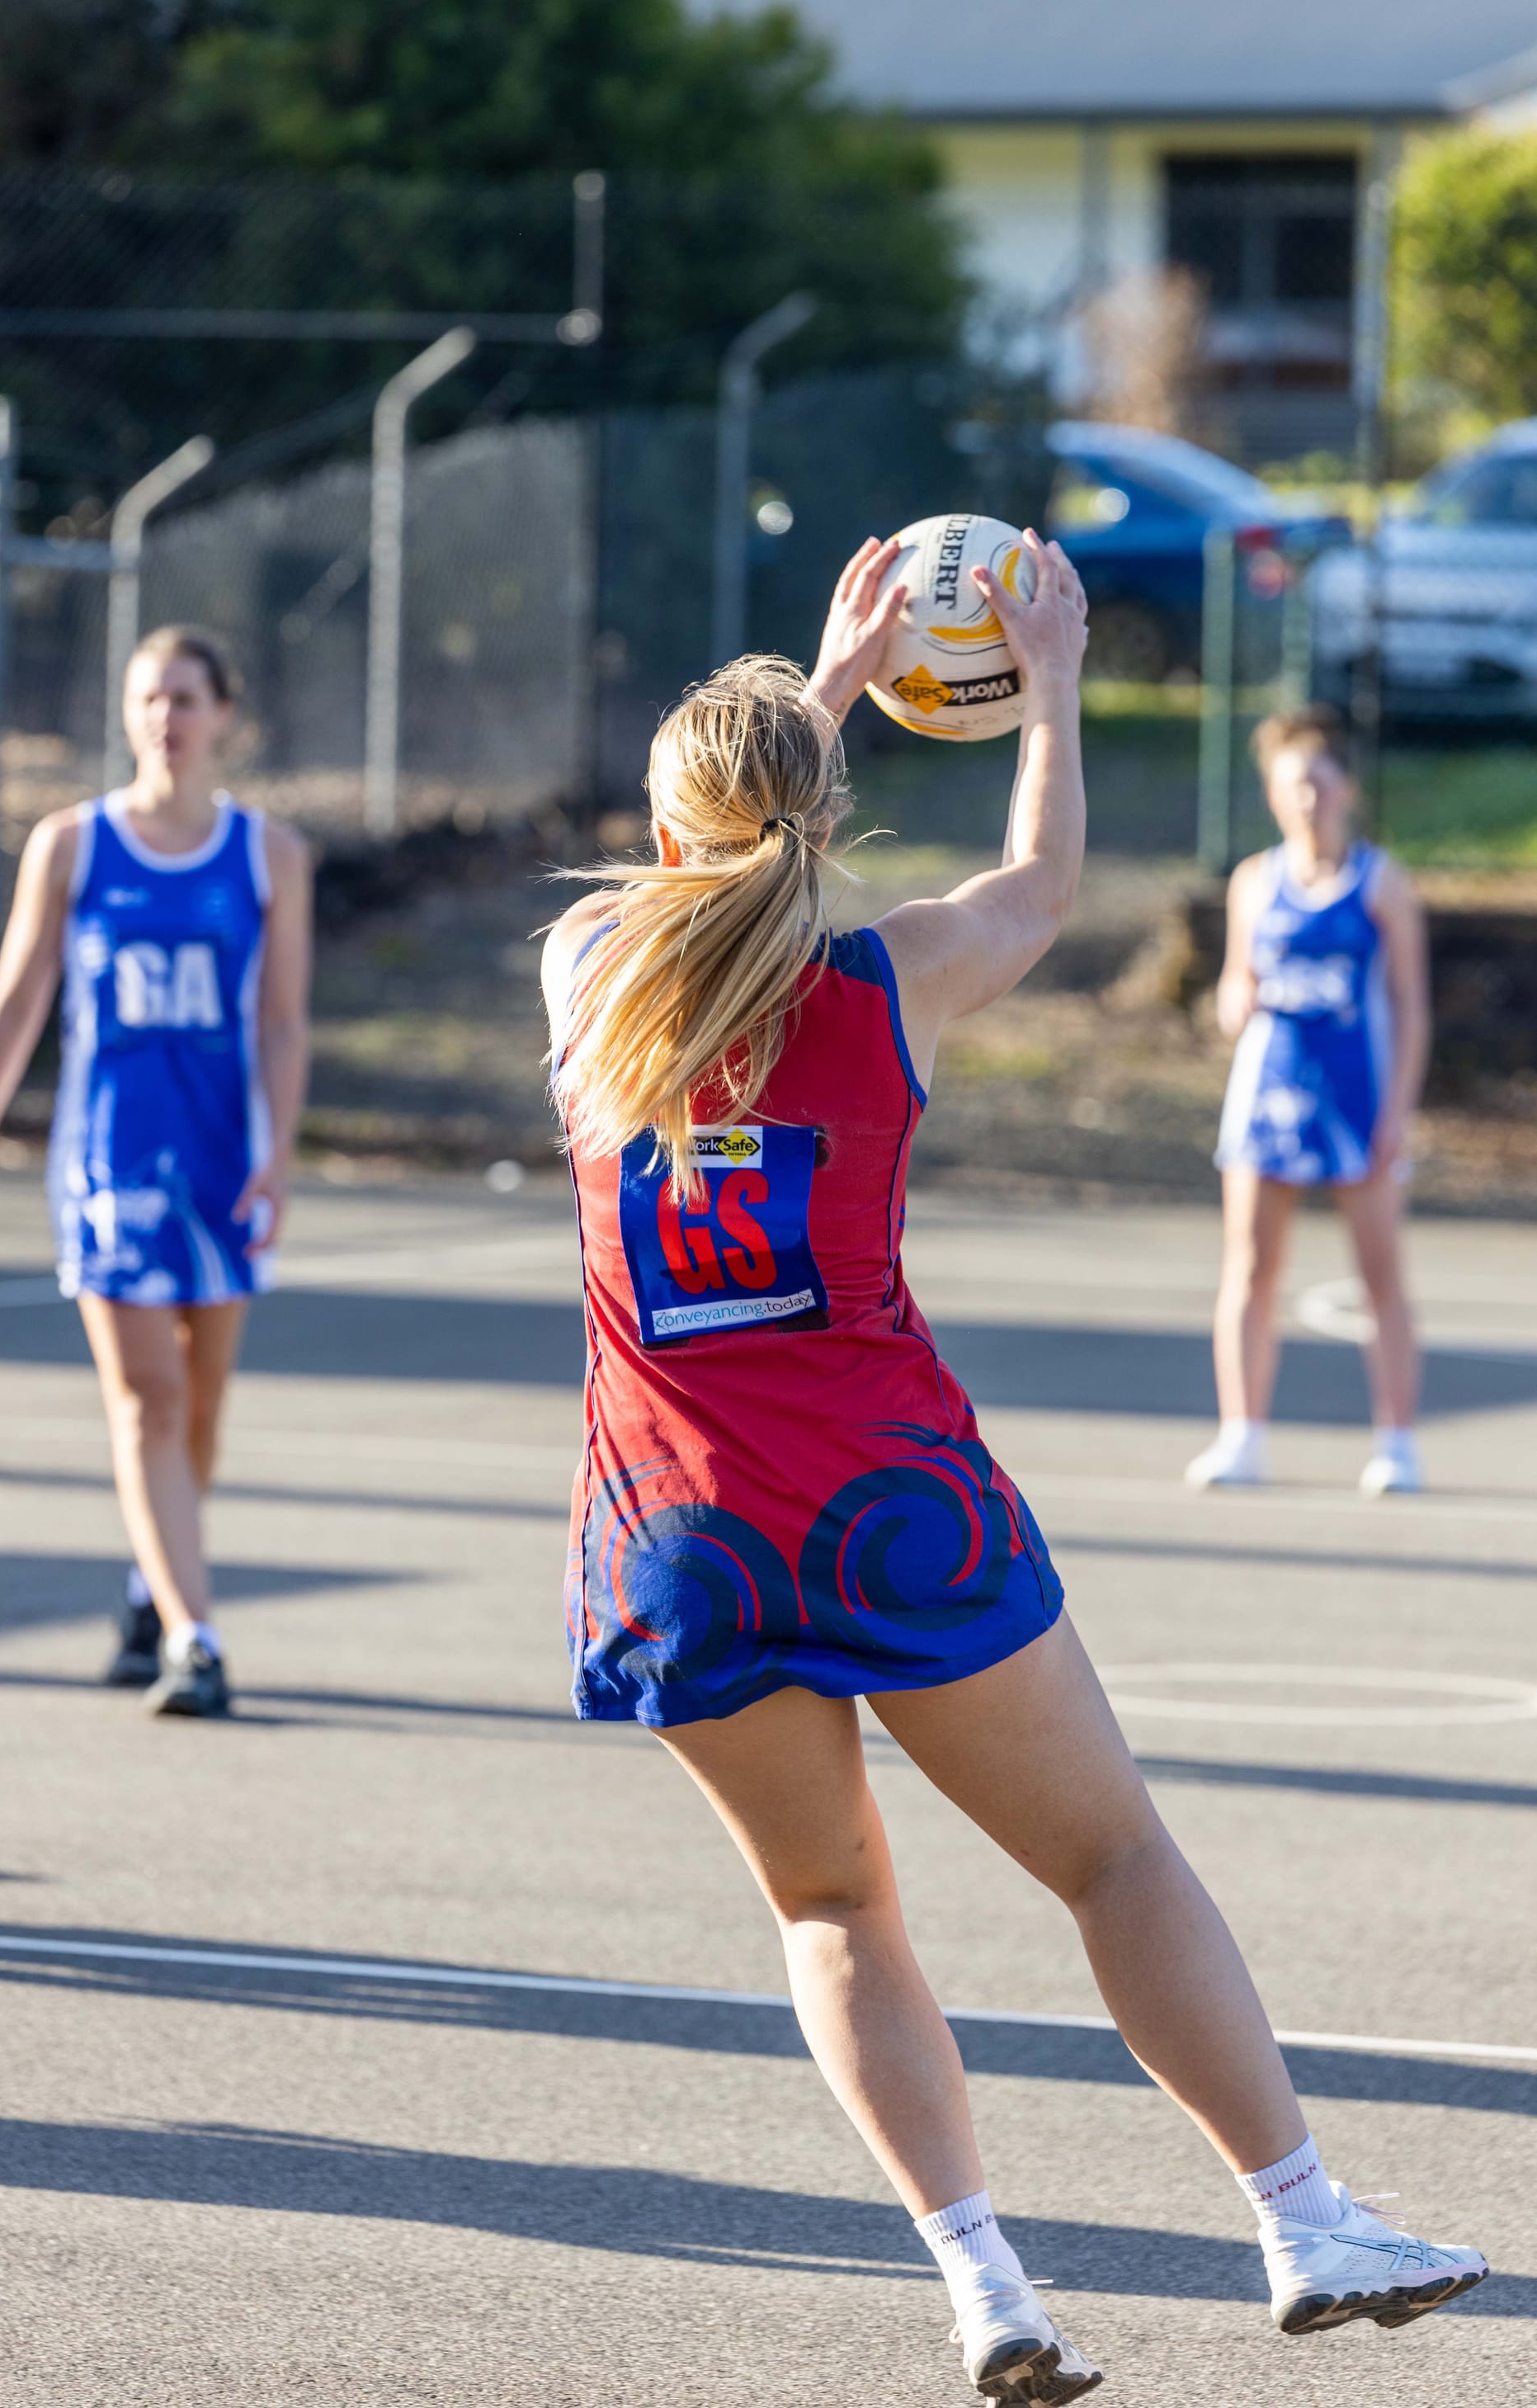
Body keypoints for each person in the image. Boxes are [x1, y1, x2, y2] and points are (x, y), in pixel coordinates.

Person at [540, 541, 1486, 2403]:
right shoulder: (886, 984)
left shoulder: (588, 979)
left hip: (678, 1538)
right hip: (890, 1509)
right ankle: (1299, 2215)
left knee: (831, 1910)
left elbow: (717, 859)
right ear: (823, 815)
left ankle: (986, 2287)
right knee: (1112, 1855)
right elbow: (1042, 884)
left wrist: (816, 676)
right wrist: (1040, 683)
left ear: (669, 828)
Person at [0, 626, 311, 1718]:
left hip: (223, 1162)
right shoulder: (72, 844)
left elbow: (284, 1023)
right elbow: (16, 1003)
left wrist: (279, 1151)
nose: (167, 717)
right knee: (146, 1398)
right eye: (150, 697)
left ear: (224, 715)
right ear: (129, 712)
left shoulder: (268, 856)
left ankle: (154, 1588)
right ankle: (198, 1637)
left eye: (187, 698)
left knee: (200, 1404)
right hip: (111, 1165)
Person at [1186, 706, 1430, 1497]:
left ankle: (1396, 1442)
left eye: (1320, 785)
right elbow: (1235, 984)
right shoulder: (1255, 882)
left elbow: (1412, 1007)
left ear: (1346, 787)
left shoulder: (1381, 883)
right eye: (1293, 787)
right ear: (1272, 792)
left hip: (1356, 1098)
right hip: (1267, 1097)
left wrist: (1398, 1111)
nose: (1308, 801)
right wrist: (1231, 1002)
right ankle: (1242, 1434)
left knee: (1379, 1275)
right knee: (1250, 1269)